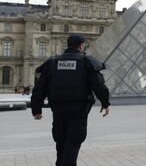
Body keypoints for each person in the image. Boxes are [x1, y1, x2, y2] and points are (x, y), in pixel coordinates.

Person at [31, 34, 110, 166]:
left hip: (58, 109)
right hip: (78, 110)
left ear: (68, 45)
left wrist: (36, 109)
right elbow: (99, 85)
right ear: (81, 45)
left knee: (60, 142)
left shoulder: (52, 62)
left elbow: (39, 88)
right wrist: (105, 102)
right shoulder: (86, 61)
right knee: (73, 142)